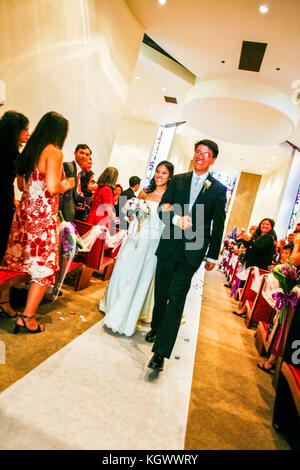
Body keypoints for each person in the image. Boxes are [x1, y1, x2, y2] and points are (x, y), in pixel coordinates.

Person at [145, 139, 227, 373]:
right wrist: (175, 219)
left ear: (212, 159)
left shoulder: (219, 189)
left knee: (177, 296)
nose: (200, 156)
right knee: (161, 292)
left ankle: (160, 353)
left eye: (206, 154)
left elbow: (218, 225)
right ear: (194, 155)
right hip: (169, 245)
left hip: (193, 251)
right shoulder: (179, 179)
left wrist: (213, 256)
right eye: (198, 152)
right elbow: (163, 208)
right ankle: (156, 326)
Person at [1, 111, 75, 331]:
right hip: (41, 217)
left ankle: (4, 304)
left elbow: (23, 186)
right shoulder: (54, 152)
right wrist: (68, 183)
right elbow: (53, 187)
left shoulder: (29, 151)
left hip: (23, 214)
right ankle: (27, 318)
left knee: (13, 261)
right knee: (43, 269)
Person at [101, 161, 174, 336]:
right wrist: (132, 215)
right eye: (157, 171)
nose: (159, 175)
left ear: (169, 177)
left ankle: (129, 314)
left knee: (140, 277)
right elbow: (131, 213)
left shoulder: (170, 198)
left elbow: (168, 222)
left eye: (164, 173)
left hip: (153, 241)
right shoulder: (144, 192)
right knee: (123, 270)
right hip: (136, 237)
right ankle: (113, 304)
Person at [0, 110, 30, 262]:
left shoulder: (10, 149)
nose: (28, 133)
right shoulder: (11, 152)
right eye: (25, 129)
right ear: (15, 129)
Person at [59, 143, 91, 222]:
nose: (84, 156)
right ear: (75, 153)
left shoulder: (80, 173)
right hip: (63, 212)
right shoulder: (68, 166)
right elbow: (62, 192)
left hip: (71, 212)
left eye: (87, 155)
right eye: (81, 153)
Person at [86, 167, 118, 233]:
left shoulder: (101, 187)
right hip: (100, 219)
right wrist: (115, 219)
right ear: (114, 178)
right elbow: (109, 209)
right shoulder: (107, 189)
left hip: (93, 216)